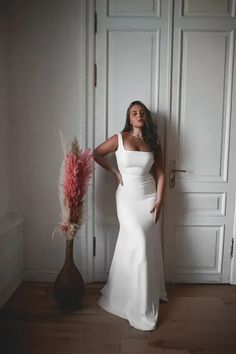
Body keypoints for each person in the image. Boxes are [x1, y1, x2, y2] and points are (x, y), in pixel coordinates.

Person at [93, 100, 168, 331]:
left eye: (142, 112)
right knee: (138, 241)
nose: (139, 115)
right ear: (129, 117)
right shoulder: (119, 137)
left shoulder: (153, 142)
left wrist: (159, 200)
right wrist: (115, 171)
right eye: (134, 113)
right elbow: (96, 153)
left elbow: (161, 174)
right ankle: (136, 303)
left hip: (147, 198)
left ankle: (142, 292)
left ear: (146, 117)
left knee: (142, 245)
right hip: (126, 198)